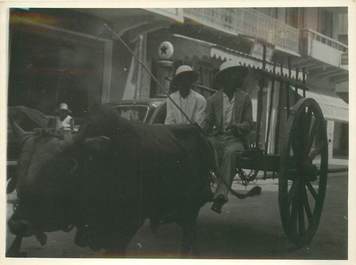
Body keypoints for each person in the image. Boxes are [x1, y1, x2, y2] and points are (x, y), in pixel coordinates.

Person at [202, 62, 253, 214]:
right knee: (208, 147)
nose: (233, 78)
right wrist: (199, 132)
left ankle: (220, 196)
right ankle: (210, 187)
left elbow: (249, 124)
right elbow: (208, 122)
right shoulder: (213, 100)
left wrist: (237, 126)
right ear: (223, 79)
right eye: (230, 75)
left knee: (230, 153)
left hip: (236, 140)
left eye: (235, 75)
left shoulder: (245, 98)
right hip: (217, 138)